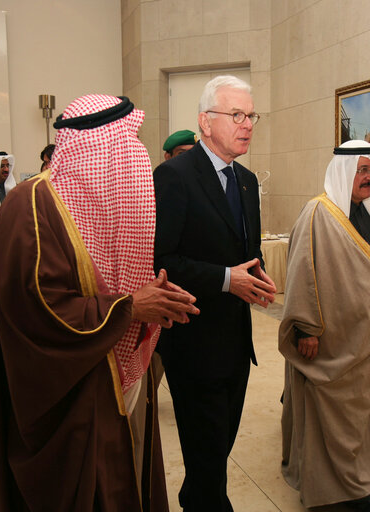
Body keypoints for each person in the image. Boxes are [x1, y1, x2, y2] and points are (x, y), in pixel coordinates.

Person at [0, 94, 199, 512]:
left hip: (118, 377)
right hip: (68, 395)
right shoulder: (29, 207)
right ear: (99, 146)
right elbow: (35, 312)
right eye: (128, 140)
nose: (137, 150)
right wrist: (128, 308)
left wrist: (152, 300)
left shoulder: (103, 201)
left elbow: (122, 277)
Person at [153, 75, 276, 511]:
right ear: (205, 122)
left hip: (236, 343)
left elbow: (246, 249)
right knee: (208, 462)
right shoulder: (173, 176)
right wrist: (227, 279)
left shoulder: (244, 181)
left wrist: (257, 275)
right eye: (237, 115)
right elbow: (163, 260)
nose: (247, 125)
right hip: (193, 342)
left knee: (217, 447)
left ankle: (196, 497)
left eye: (251, 116)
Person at [279, 140, 370, 512]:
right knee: (332, 411)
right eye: (362, 170)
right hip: (330, 338)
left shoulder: (368, 210)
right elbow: (302, 272)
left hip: (366, 334)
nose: (368, 178)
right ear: (344, 171)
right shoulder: (319, 212)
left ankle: (357, 475)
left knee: (360, 409)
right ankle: (343, 491)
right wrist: (306, 329)